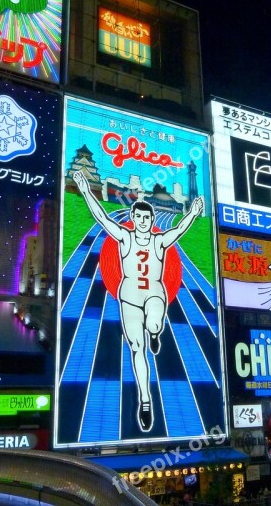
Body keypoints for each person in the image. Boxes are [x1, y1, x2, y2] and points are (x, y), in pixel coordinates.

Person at [73, 170, 204, 432]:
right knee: (136, 347)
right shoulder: (124, 237)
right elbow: (101, 217)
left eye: (147, 217)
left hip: (154, 293)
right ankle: (145, 400)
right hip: (130, 297)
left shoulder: (159, 241)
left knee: (155, 324)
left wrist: (193, 212)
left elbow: (178, 229)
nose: (143, 220)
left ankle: (156, 332)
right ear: (133, 218)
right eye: (139, 216)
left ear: (151, 219)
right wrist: (86, 190)